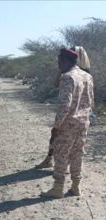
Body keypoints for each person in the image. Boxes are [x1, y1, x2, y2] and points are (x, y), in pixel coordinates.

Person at [40, 48, 94, 198]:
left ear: (65, 61)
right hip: (83, 123)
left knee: (61, 155)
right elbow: (91, 101)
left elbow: (65, 105)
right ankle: (76, 187)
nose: (58, 65)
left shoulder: (67, 77)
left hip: (68, 124)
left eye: (59, 62)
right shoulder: (87, 76)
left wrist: (56, 127)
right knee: (78, 155)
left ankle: (57, 189)